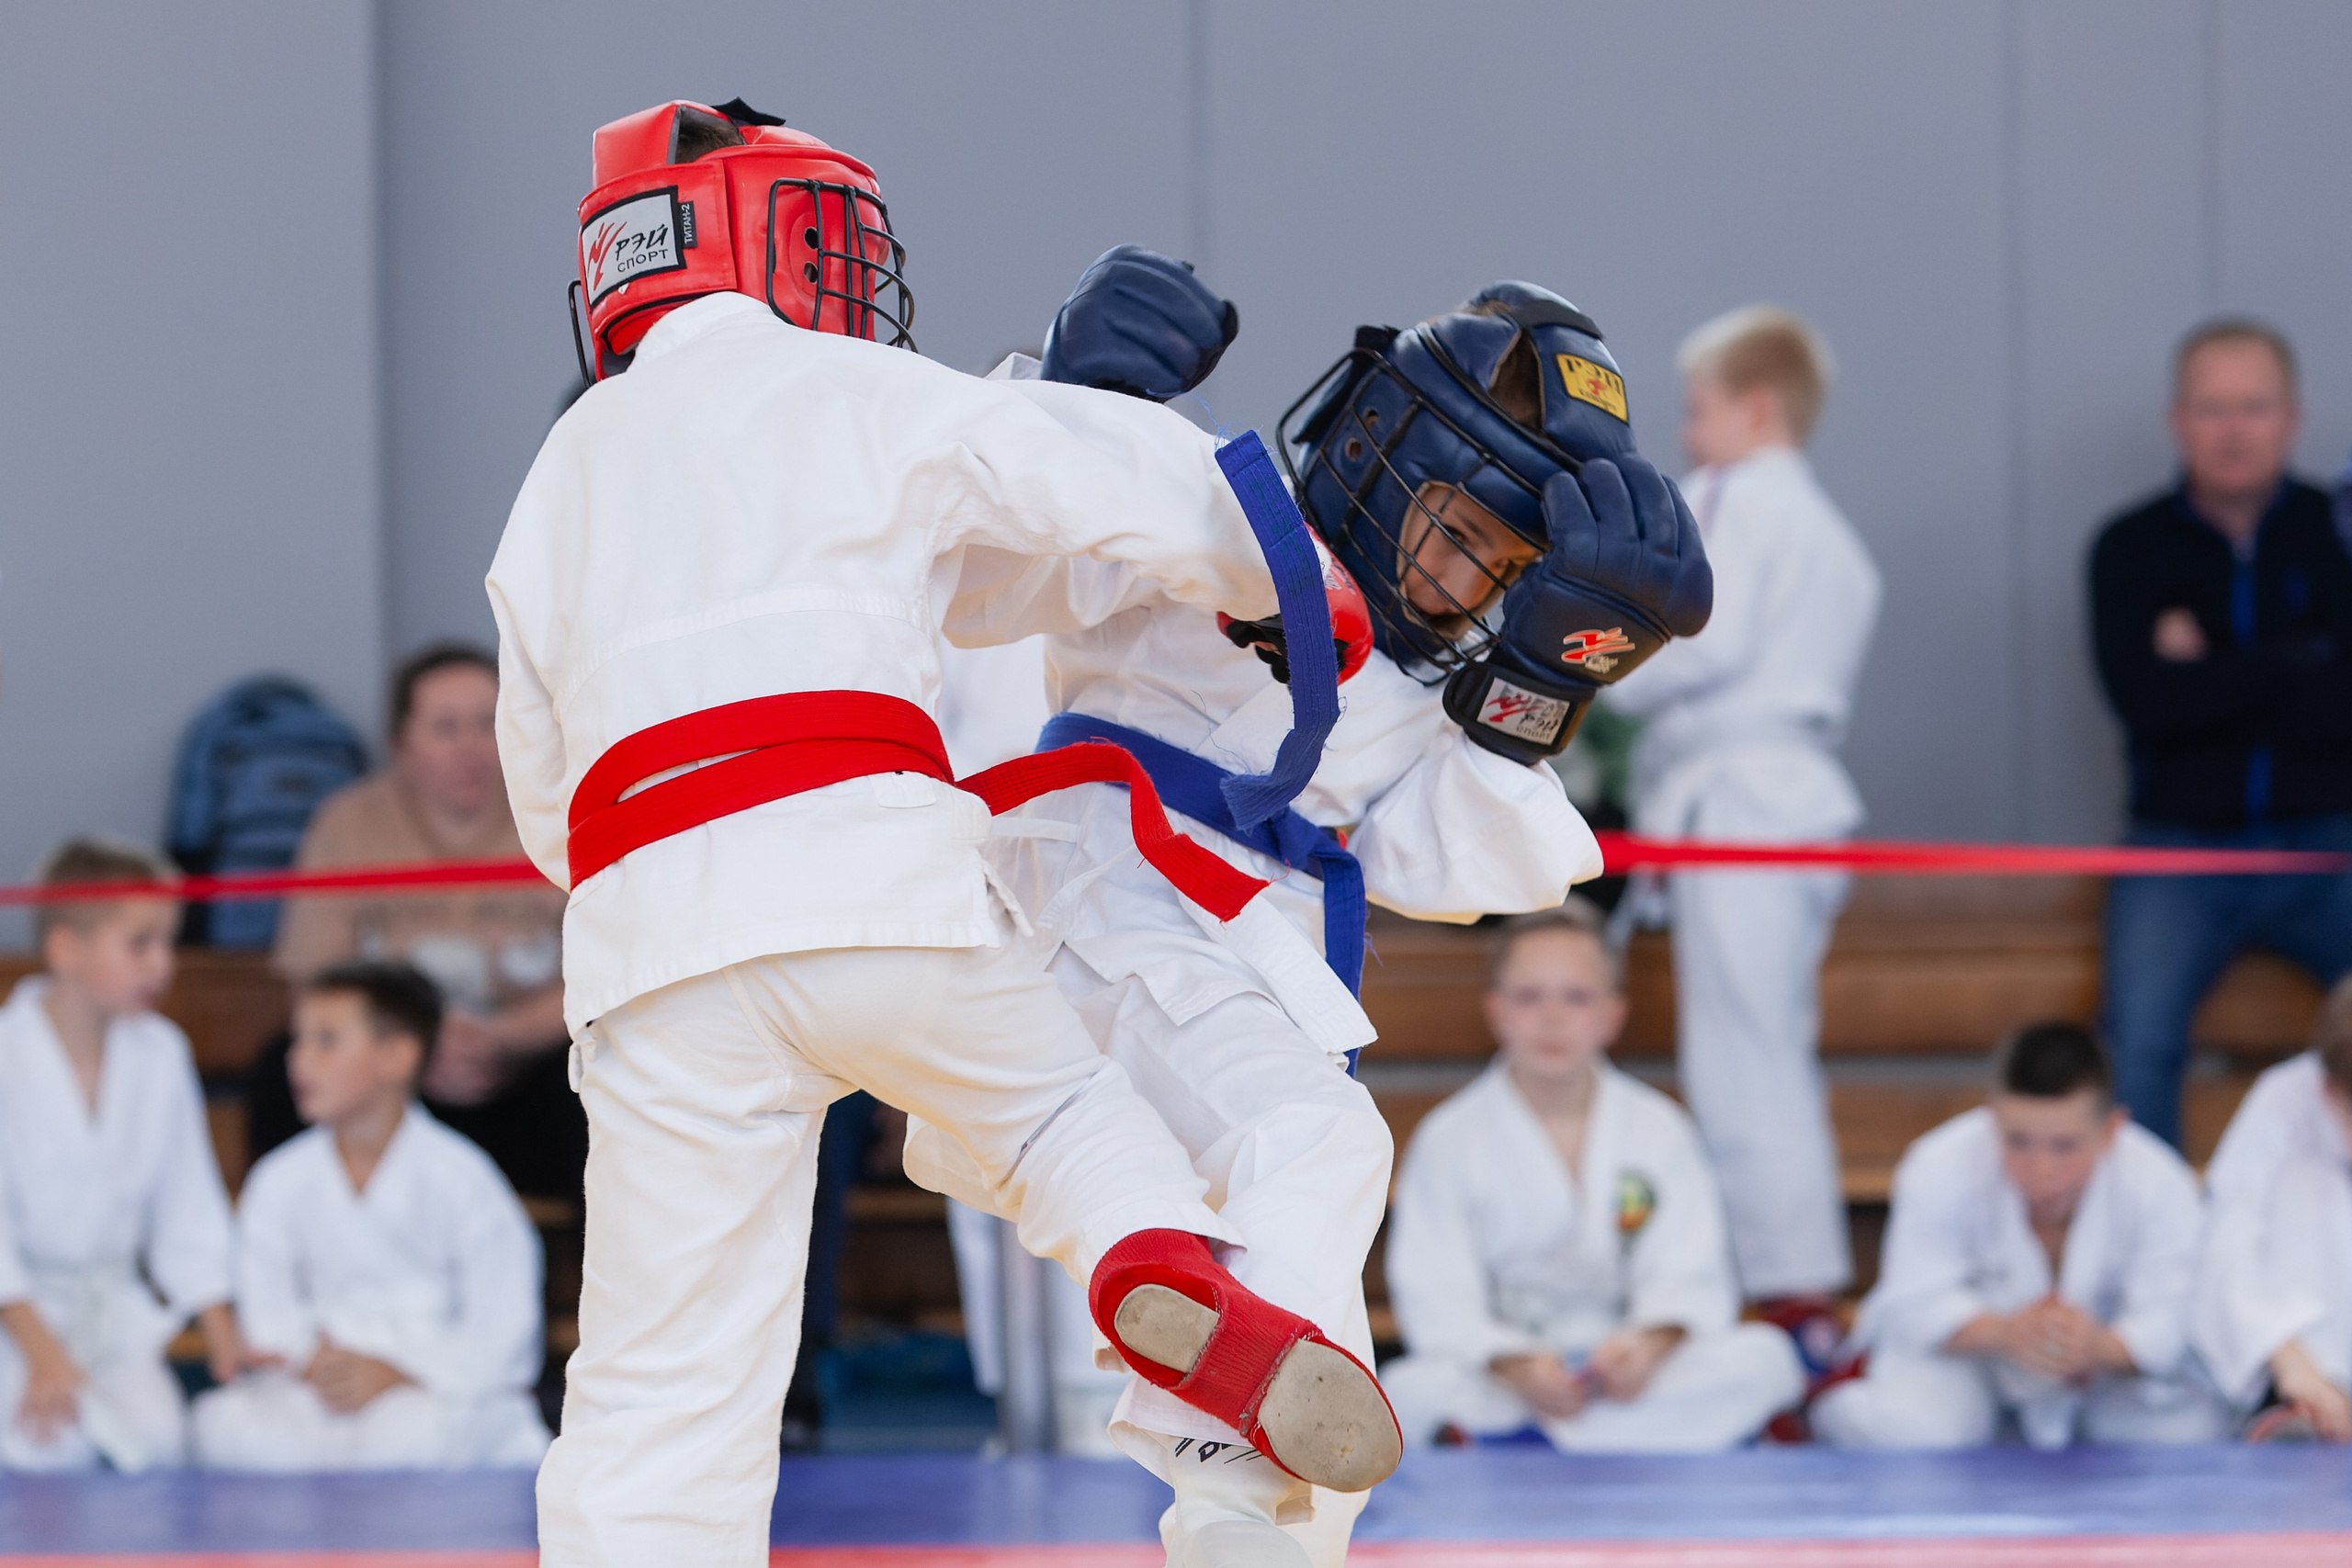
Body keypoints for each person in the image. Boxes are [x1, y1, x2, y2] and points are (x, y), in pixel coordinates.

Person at [498, 99, 1396, 1564]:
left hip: (648, 939)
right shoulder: (844, 383)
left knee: (661, 1384)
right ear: (777, 237)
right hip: (875, 875)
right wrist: (1282, 576)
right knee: (1065, 1128)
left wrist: (653, 906)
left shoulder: (559, 475)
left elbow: (542, 776)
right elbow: (1077, 474)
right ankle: (1156, 1269)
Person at [955, 260, 1710, 1566]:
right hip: (1102, 887)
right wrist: (1079, 402)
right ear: (1381, 446)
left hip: (1239, 944)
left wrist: (1546, 676)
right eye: (1461, 531)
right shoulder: (1211, 517)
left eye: (1507, 574)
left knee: (1328, 1306)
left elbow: (1441, 857)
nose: (1465, 584)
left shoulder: (1426, 689)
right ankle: (1222, 1471)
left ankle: (1259, 1522)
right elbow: (990, 580)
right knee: (1314, 1142)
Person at [1601, 306, 1881, 1354]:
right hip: (1788, 792)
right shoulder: (1828, 531)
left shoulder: (1740, 499)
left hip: (1744, 801)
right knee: (1761, 1045)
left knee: (1743, 1053)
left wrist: (1590, 665)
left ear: (1757, 408)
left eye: (1700, 407)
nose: (1686, 430)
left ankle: (1789, 1294)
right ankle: (1784, 1285)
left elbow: (1702, 640)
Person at [1380, 904, 1803, 1453]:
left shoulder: (1659, 1128)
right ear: (1496, 1010)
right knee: (1409, 1390)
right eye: (1530, 997)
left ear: (1612, 1015)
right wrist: (1515, 1364)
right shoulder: (1450, 1137)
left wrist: (1649, 1345)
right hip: (1510, 1379)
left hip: (1625, 1374)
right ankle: (1603, 1439)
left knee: (1764, 1359)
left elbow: (1689, 1274)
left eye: (1577, 997)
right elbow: (1438, 1298)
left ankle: (1526, 1447)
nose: (1552, 1017)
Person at [2090, 317, 2352, 1147]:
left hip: (2332, 846)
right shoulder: (2127, 546)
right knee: (2137, 1038)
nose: (2234, 428)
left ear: (2292, 416)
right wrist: (2301, 654)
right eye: (2212, 408)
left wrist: (2214, 670)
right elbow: (2147, 703)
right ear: (2179, 419)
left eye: (2254, 406)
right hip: (2181, 851)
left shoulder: (2338, 535)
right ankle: (2156, 1263)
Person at [254, 643, 579, 1199]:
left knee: (601, 1084)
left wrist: (505, 1037)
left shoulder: (563, 818)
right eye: (444, 728)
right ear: (400, 744)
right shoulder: (348, 825)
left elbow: (598, 975)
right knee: (276, 1076)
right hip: (386, 1065)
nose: (470, 748)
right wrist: (411, 1048)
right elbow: (316, 978)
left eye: (487, 724)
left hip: (525, 1062)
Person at [195, 962, 548, 1470]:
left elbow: (504, 1328)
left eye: (326, 1041)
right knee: (231, 1429)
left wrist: (397, 1371)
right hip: (317, 1385)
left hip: (425, 1386)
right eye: (299, 1041)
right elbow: (267, 1310)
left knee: (412, 1439)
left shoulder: (463, 1179)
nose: (300, 1061)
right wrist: (311, 1361)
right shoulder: (280, 1179)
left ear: (397, 1057)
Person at [1812, 1022, 2230, 1450]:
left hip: (2104, 1377)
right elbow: (1914, 1302)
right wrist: (2007, 1333)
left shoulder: (2158, 1181)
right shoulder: (1939, 1165)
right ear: (1992, 1117)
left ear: (2111, 1131)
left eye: (2064, 1145)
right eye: (2018, 1141)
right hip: (1975, 1367)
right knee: (1920, 1432)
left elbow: (2172, 1322)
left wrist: (2098, 1347)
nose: (2041, 1168)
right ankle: (1823, 1404)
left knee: (2189, 1433)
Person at [0, 839, 254, 1470]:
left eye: (168, 940)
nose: (161, 964)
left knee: (161, 1442)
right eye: (139, 943)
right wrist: (44, 1353)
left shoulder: (160, 1052)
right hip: (17, 1319)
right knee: (45, 1450)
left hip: (114, 1313)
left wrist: (222, 1331)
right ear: (66, 947)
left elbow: (187, 1200)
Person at [2193, 976, 2352, 1437]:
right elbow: (2227, 1244)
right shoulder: (2286, 1097)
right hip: (2310, 1367)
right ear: (2326, 1085)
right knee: (2301, 1190)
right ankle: (2308, 1405)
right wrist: (2289, 1359)